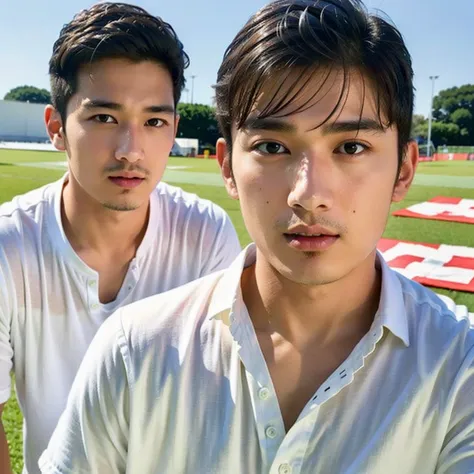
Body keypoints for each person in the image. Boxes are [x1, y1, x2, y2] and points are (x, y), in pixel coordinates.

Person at [39, 0, 474, 473]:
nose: (308, 196)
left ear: (404, 168)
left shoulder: (459, 368)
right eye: (272, 147)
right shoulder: (131, 351)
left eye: (351, 147)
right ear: (227, 164)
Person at [0, 3, 241, 473]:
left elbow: (225, 403)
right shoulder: (9, 246)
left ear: (173, 128)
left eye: (154, 121)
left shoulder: (206, 234)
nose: (131, 150)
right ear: (56, 128)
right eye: (105, 118)